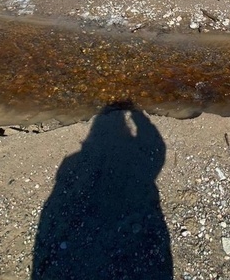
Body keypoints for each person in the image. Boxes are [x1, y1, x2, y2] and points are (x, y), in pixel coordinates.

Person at [32, 103, 172, 279]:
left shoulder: (72, 164)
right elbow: (157, 148)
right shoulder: (72, 164)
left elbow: (156, 150)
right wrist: (139, 113)